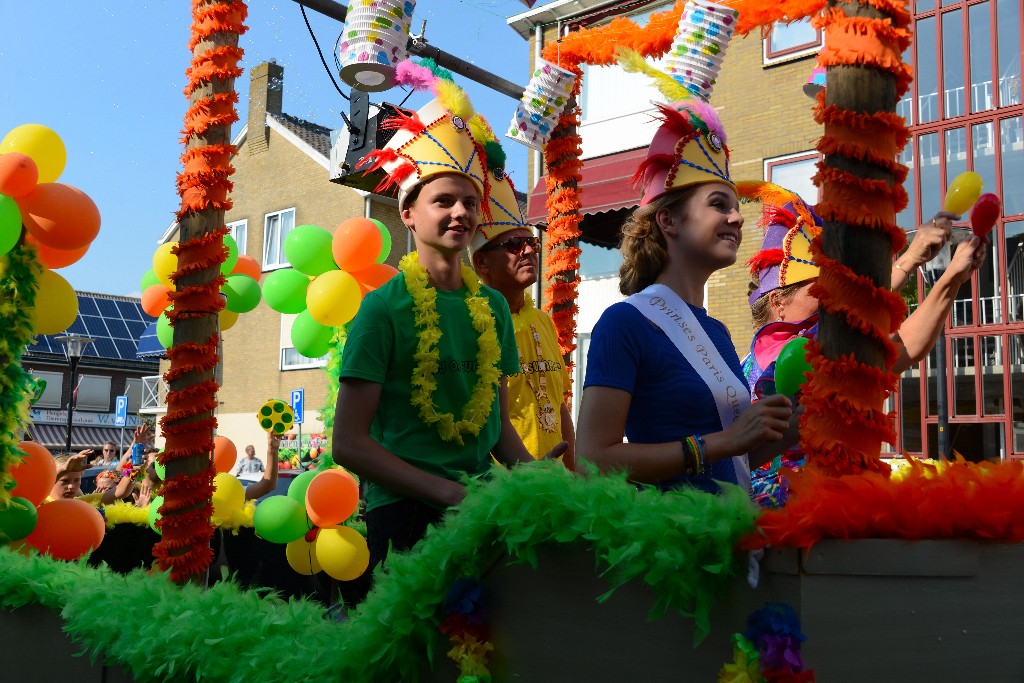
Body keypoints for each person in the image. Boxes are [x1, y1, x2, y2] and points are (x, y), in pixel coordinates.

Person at [334, 94, 566, 583]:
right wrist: (443, 491)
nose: (461, 212)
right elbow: (349, 443)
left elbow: (498, 426)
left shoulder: (494, 306)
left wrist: (530, 473)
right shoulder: (381, 310)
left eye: (469, 202)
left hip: (478, 506)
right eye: (443, 200)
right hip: (403, 513)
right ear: (409, 214)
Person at [575, 100, 797, 492]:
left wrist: (797, 425)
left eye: (735, 207)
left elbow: (732, 461)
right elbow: (593, 460)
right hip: (669, 540)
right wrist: (722, 442)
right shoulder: (625, 322)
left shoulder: (718, 333)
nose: (737, 217)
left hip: (728, 535)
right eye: (718, 205)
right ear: (669, 220)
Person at [744, 191, 988, 506]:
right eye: (820, 289)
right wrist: (910, 258)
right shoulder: (775, 356)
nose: (833, 299)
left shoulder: (822, 349)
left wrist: (952, 279)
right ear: (778, 301)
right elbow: (852, 318)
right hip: (783, 511)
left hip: (829, 501)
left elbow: (902, 350)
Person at [469, 174, 576, 471]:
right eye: (514, 244)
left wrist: (572, 468)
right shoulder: (472, 323)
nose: (528, 250)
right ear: (481, 263)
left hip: (552, 485)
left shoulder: (544, 321)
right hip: (501, 489)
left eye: (531, 242)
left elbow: (558, 405)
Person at [49, 451, 136, 505]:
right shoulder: (40, 502)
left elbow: (121, 491)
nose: (71, 486)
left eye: (76, 480)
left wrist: (134, 468)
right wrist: (62, 470)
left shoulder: (83, 503)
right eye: (65, 481)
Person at [243, 433, 280, 501]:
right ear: (247, 452)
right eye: (252, 451)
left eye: (254, 451)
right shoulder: (242, 461)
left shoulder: (258, 461)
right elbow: (238, 472)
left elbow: (267, 484)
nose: (253, 452)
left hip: (254, 482)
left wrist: (273, 449)